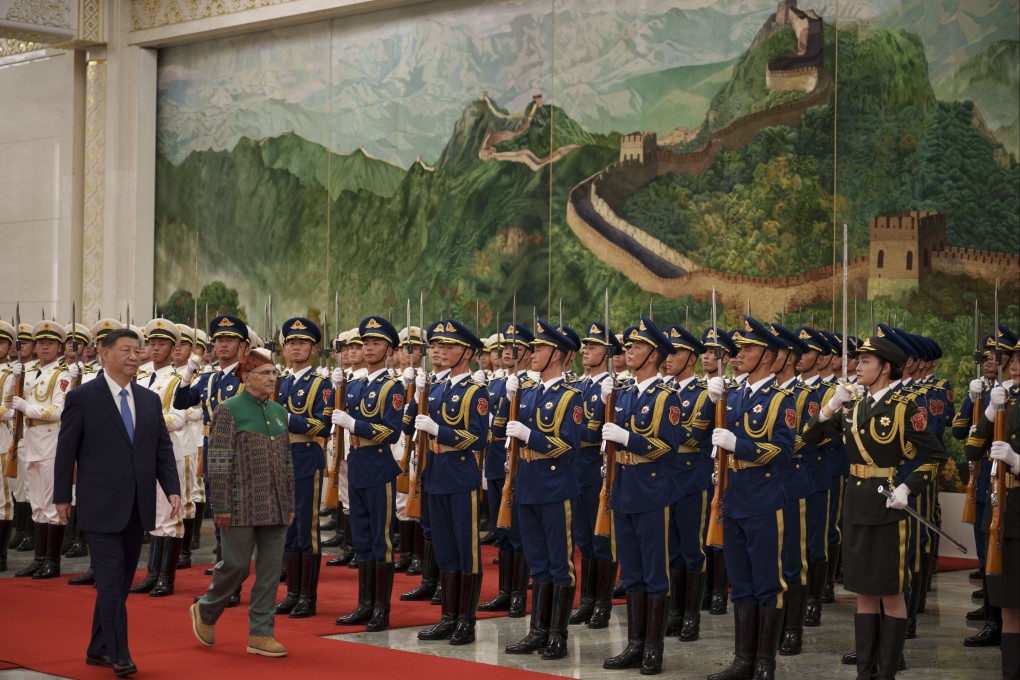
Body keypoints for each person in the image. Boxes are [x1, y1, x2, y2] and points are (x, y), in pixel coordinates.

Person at [802, 333, 945, 680]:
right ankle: (865, 672)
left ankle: (887, 672)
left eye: (865, 361)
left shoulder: (902, 408)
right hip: (855, 506)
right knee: (863, 592)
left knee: (891, 592)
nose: (857, 366)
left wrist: (908, 488)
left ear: (885, 368)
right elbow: (809, 438)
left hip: (887, 509)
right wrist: (829, 407)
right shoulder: (851, 406)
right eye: (858, 360)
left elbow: (935, 455)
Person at [53, 327, 182, 676]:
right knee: (110, 582)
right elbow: (66, 452)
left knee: (120, 585)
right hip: (99, 504)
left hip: (137, 505)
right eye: (125, 349)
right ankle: (119, 652)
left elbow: (161, 449)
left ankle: (97, 647)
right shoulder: (83, 397)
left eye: (136, 350)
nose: (133, 356)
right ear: (104, 353)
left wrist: (172, 487)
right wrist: (62, 496)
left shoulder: (149, 399)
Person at [705, 317, 797, 680]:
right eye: (739, 348)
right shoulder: (732, 395)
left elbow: (785, 451)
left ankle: (764, 663)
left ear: (769, 357)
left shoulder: (780, 400)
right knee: (740, 582)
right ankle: (742, 660)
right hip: (733, 496)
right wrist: (710, 402)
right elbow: (701, 435)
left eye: (748, 349)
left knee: (767, 582)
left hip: (764, 499)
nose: (739, 354)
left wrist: (739, 446)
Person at [189, 347, 294, 658]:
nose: (272, 378)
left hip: (275, 503)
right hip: (239, 503)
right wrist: (220, 505)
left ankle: (261, 634)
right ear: (246, 378)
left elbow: (286, 460)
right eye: (265, 373)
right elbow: (218, 461)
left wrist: (289, 503)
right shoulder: (229, 410)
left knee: (270, 570)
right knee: (235, 566)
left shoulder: (277, 411)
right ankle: (207, 610)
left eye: (274, 373)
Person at [595, 316, 682, 675]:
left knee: (654, 573)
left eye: (638, 346)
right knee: (631, 573)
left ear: (654, 355)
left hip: (652, 490)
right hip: (625, 488)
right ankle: (634, 644)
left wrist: (629, 438)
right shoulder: (624, 393)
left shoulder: (667, 397)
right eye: (629, 345)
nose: (629, 350)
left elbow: (669, 447)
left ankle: (653, 648)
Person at [502, 319, 583, 660]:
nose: (531, 353)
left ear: (557, 354)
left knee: (559, 563)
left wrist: (529, 436)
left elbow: (569, 444)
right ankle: (537, 630)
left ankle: (557, 634)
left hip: (555, 487)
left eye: (538, 348)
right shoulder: (528, 392)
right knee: (537, 563)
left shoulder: (571, 397)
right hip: (529, 485)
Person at [408, 319, 488, 645]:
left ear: (466, 352)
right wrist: (415, 392)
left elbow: (479, 438)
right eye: (436, 345)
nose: (439, 351)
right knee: (444, 549)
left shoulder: (475, 390)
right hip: (436, 474)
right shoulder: (436, 387)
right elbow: (410, 421)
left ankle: (465, 622)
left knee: (466, 550)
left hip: (460, 476)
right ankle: (448, 617)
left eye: (448, 346)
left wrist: (439, 431)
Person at [332, 316, 404, 631]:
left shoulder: (393, 386)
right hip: (358, 463)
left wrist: (354, 425)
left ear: (388, 349)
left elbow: (390, 431)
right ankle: (364, 604)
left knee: (380, 540)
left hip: (378, 465)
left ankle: (381, 609)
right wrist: (334, 388)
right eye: (366, 343)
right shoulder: (357, 384)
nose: (369, 348)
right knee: (361, 539)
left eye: (376, 343)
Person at [274, 317, 331, 619]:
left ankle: (308, 597)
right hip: (280, 459)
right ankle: (292, 593)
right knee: (288, 528)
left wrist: (287, 418)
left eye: (302, 342)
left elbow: (322, 425)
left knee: (306, 529)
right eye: (290, 342)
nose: (295, 347)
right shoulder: (280, 382)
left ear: (312, 349)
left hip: (306, 456)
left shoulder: (320, 385)